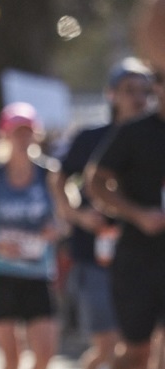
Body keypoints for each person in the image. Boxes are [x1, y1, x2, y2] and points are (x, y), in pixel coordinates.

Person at [52, 58, 153, 369]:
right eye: (129, 90)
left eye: (144, 91)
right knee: (109, 347)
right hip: (95, 256)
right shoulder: (91, 137)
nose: (137, 98)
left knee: (140, 348)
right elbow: (58, 176)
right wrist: (76, 215)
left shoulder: (155, 137)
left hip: (143, 255)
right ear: (112, 94)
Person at [0, 102, 64, 369]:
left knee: (45, 353)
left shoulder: (49, 174)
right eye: (17, 131)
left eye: (28, 131)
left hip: (38, 274)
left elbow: (66, 221)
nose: (23, 138)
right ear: (4, 135)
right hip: (2, 274)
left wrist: (55, 230)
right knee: (12, 358)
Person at [86, 65, 165, 369]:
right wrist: (138, 214)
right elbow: (95, 180)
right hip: (137, 257)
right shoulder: (134, 132)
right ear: (157, 88)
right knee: (136, 352)